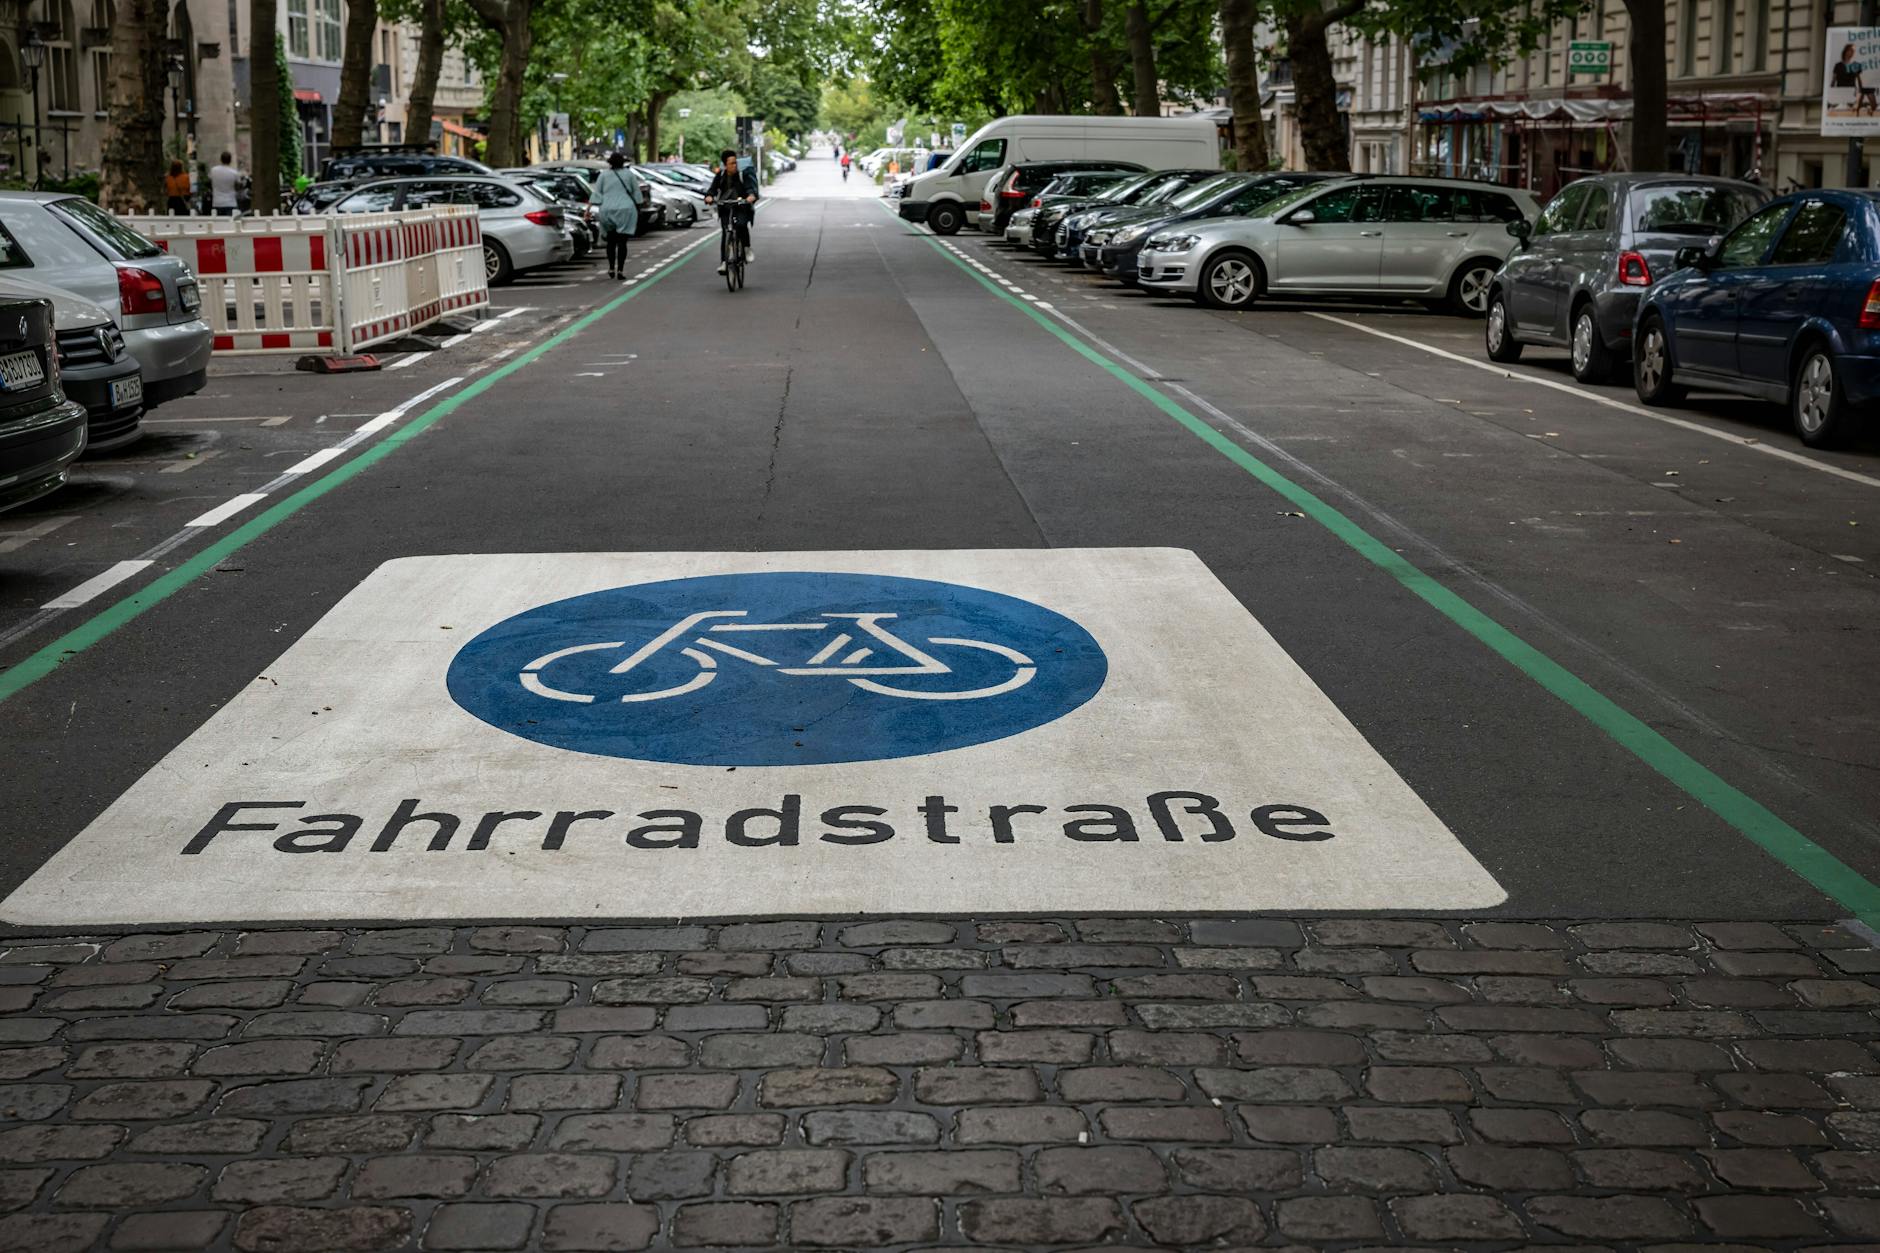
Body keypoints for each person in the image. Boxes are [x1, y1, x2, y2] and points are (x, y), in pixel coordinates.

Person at [705, 147, 758, 275]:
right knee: (725, 232)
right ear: (725, 165)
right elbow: (712, 189)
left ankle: (746, 248)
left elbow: (750, 189)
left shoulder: (742, 174)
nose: (735, 166)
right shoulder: (721, 176)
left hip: (741, 206)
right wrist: (709, 196)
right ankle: (724, 262)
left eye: (735, 163)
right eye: (731, 163)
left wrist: (750, 197)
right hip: (725, 207)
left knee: (741, 224)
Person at [593, 150, 644, 279]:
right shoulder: (629, 175)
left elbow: (597, 194)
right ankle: (620, 270)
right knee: (622, 242)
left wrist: (592, 206)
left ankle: (611, 267)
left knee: (610, 241)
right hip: (625, 209)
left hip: (607, 209)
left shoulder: (603, 176)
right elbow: (636, 193)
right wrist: (639, 205)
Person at [208, 152, 242, 216]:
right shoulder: (234, 173)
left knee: (218, 224)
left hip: (217, 202)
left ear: (220, 159)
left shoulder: (213, 170)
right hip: (231, 202)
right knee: (230, 224)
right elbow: (238, 186)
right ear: (230, 160)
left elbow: (209, 182)